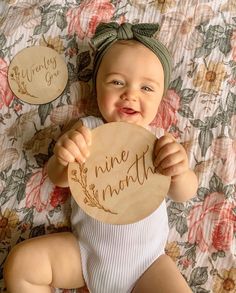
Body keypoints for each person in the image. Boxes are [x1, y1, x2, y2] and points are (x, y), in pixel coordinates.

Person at [4, 22, 198, 293]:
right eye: (117, 82)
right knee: (22, 264)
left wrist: (180, 171)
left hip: (148, 264)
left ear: (161, 99)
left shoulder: (158, 142)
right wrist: (64, 156)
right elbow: (58, 178)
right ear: (97, 88)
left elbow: (184, 193)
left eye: (147, 88)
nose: (130, 94)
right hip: (85, 253)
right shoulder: (88, 130)